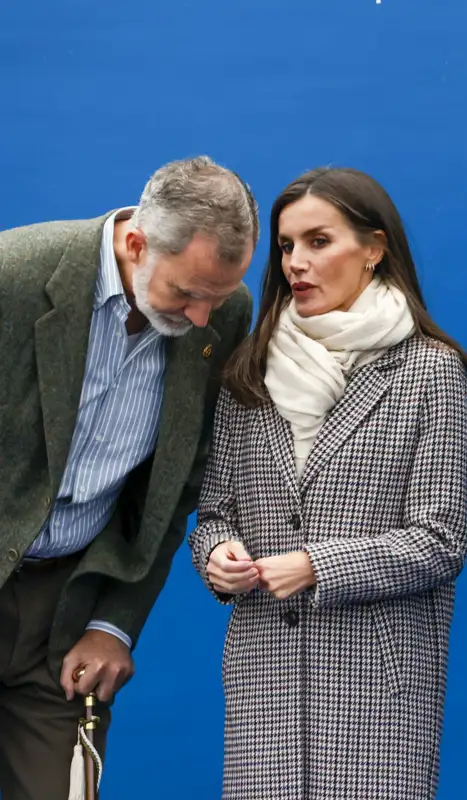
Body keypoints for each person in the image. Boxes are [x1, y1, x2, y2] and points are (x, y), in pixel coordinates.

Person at [188, 166, 467, 800]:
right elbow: (213, 514)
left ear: (373, 249)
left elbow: (440, 541)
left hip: (378, 690)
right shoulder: (250, 371)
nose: (296, 261)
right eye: (287, 246)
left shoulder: (430, 372)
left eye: (319, 241)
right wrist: (216, 554)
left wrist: (318, 565)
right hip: (264, 681)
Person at [0, 155, 257, 799]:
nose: (202, 319)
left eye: (218, 297)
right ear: (135, 243)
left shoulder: (225, 314)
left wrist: (113, 623)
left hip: (67, 613)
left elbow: (173, 489)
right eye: (187, 294)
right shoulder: (14, 276)